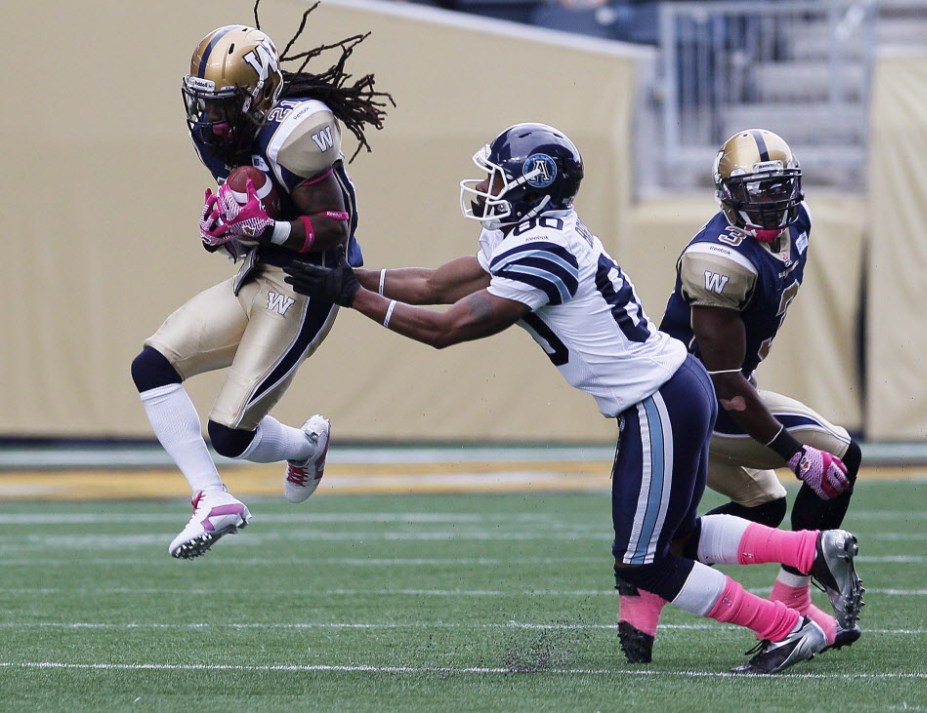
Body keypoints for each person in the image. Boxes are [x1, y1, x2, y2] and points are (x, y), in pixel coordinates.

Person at [282, 122, 864, 674]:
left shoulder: (543, 252)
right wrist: (346, 274)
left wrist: (348, 297)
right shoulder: (534, 231)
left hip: (657, 399)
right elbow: (435, 285)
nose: (486, 186)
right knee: (678, 538)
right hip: (667, 390)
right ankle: (811, 550)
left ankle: (782, 628)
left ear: (532, 182)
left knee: (646, 562)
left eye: (497, 175)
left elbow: (447, 328)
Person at [130, 8, 393, 559]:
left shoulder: (298, 132)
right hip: (261, 271)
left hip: (308, 283)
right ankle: (211, 497)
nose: (209, 115)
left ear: (257, 98)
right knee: (152, 365)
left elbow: (334, 229)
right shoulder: (217, 134)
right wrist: (224, 231)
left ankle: (304, 444)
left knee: (229, 435)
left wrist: (263, 226)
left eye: (222, 104)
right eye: (203, 99)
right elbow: (249, 211)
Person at [615, 128, 864, 664]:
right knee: (839, 455)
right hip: (691, 398)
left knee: (765, 504)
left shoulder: (797, 222)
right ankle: (791, 601)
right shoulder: (718, 262)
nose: (770, 202)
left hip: (705, 392)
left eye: (779, 188)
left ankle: (648, 581)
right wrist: (797, 456)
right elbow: (728, 384)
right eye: (756, 191)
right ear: (728, 194)